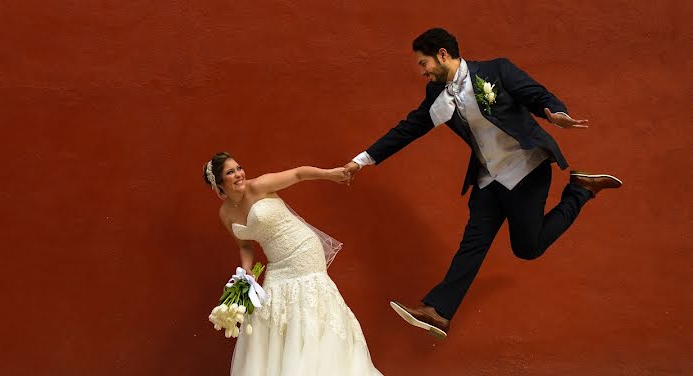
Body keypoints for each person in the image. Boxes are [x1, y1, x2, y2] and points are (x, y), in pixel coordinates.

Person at [343, 28, 621, 339]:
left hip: (526, 170)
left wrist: (556, 112)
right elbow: (407, 129)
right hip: (488, 179)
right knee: (472, 245)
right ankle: (439, 312)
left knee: (527, 249)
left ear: (443, 55)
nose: (422, 71)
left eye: (424, 64)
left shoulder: (496, 70)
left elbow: (536, 94)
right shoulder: (436, 95)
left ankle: (580, 191)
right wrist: (362, 160)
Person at [204, 151, 383, 375]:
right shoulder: (226, 213)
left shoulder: (259, 186)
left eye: (239, 168)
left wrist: (329, 175)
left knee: (307, 306)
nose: (239, 174)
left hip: (303, 249)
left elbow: (298, 174)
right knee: (270, 313)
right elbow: (245, 245)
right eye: (231, 172)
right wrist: (247, 269)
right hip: (277, 263)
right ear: (219, 184)